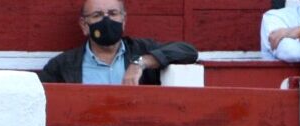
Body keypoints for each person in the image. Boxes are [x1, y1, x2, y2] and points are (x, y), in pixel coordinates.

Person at [38, 0, 199, 85]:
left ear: (123, 20)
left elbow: (188, 51)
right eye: (97, 15)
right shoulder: (62, 66)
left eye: (113, 13)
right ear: (84, 25)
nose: (106, 20)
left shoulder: (140, 50)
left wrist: (140, 63)